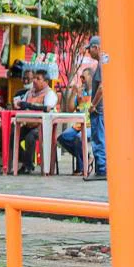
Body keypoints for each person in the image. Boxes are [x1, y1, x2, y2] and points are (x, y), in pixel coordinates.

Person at [16, 70, 58, 174]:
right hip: (28, 124)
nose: (34, 81)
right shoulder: (30, 92)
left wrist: (28, 106)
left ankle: (28, 166)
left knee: (29, 138)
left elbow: (47, 109)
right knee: (12, 135)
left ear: (46, 82)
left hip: (43, 126)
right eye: (34, 78)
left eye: (38, 79)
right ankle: (22, 162)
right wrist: (18, 104)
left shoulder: (50, 94)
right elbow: (22, 105)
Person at [57, 68, 93, 174]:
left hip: (91, 125)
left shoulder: (95, 92)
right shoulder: (81, 92)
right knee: (63, 138)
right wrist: (73, 94)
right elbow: (70, 109)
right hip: (78, 125)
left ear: (91, 77)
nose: (82, 80)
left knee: (78, 138)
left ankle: (81, 167)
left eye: (84, 77)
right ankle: (86, 157)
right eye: (81, 77)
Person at [84, 36, 106, 180]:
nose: (88, 52)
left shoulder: (103, 63)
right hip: (101, 109)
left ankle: (102, 170)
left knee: (98, 139)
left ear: (96, 47)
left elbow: (102, 87)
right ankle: (102, 168)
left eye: (89, 49)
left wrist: (93, 105)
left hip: (99, 109)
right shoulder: (103, 62)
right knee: (100, 138)